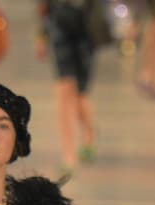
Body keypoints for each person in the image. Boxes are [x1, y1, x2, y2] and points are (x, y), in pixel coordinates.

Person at [38, 0, 99, 174]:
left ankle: (89, 133)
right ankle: (69, 155)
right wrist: (41, 35)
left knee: (81, 93)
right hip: (59, 23)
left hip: (88, 23)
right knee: (64, 92)